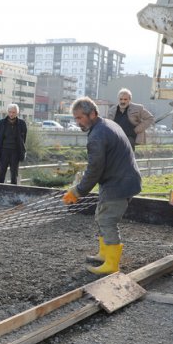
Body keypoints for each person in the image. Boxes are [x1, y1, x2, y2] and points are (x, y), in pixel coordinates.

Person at [63, 97, 141, 275]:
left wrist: (77, 191)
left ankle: (112, 265)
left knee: (107, 220)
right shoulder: (106, 125)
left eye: (80, 118)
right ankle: (104, 254)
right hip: (121, 179)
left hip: (119, 183)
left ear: (92, 113)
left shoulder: (97, 135)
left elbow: (94, 170)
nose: (77, 122)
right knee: (101, 215)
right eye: (75, 118)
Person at [0, 104, 27, 185]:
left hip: (15, 152)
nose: (11, 114)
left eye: (14, 112)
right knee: (1, 175)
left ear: (17, 113)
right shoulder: (1, 123)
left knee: (14, 176)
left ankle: (13, 194)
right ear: (7, 112)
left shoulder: (22, 124)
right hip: (3, 152)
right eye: (10, 112)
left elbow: (23, 139)